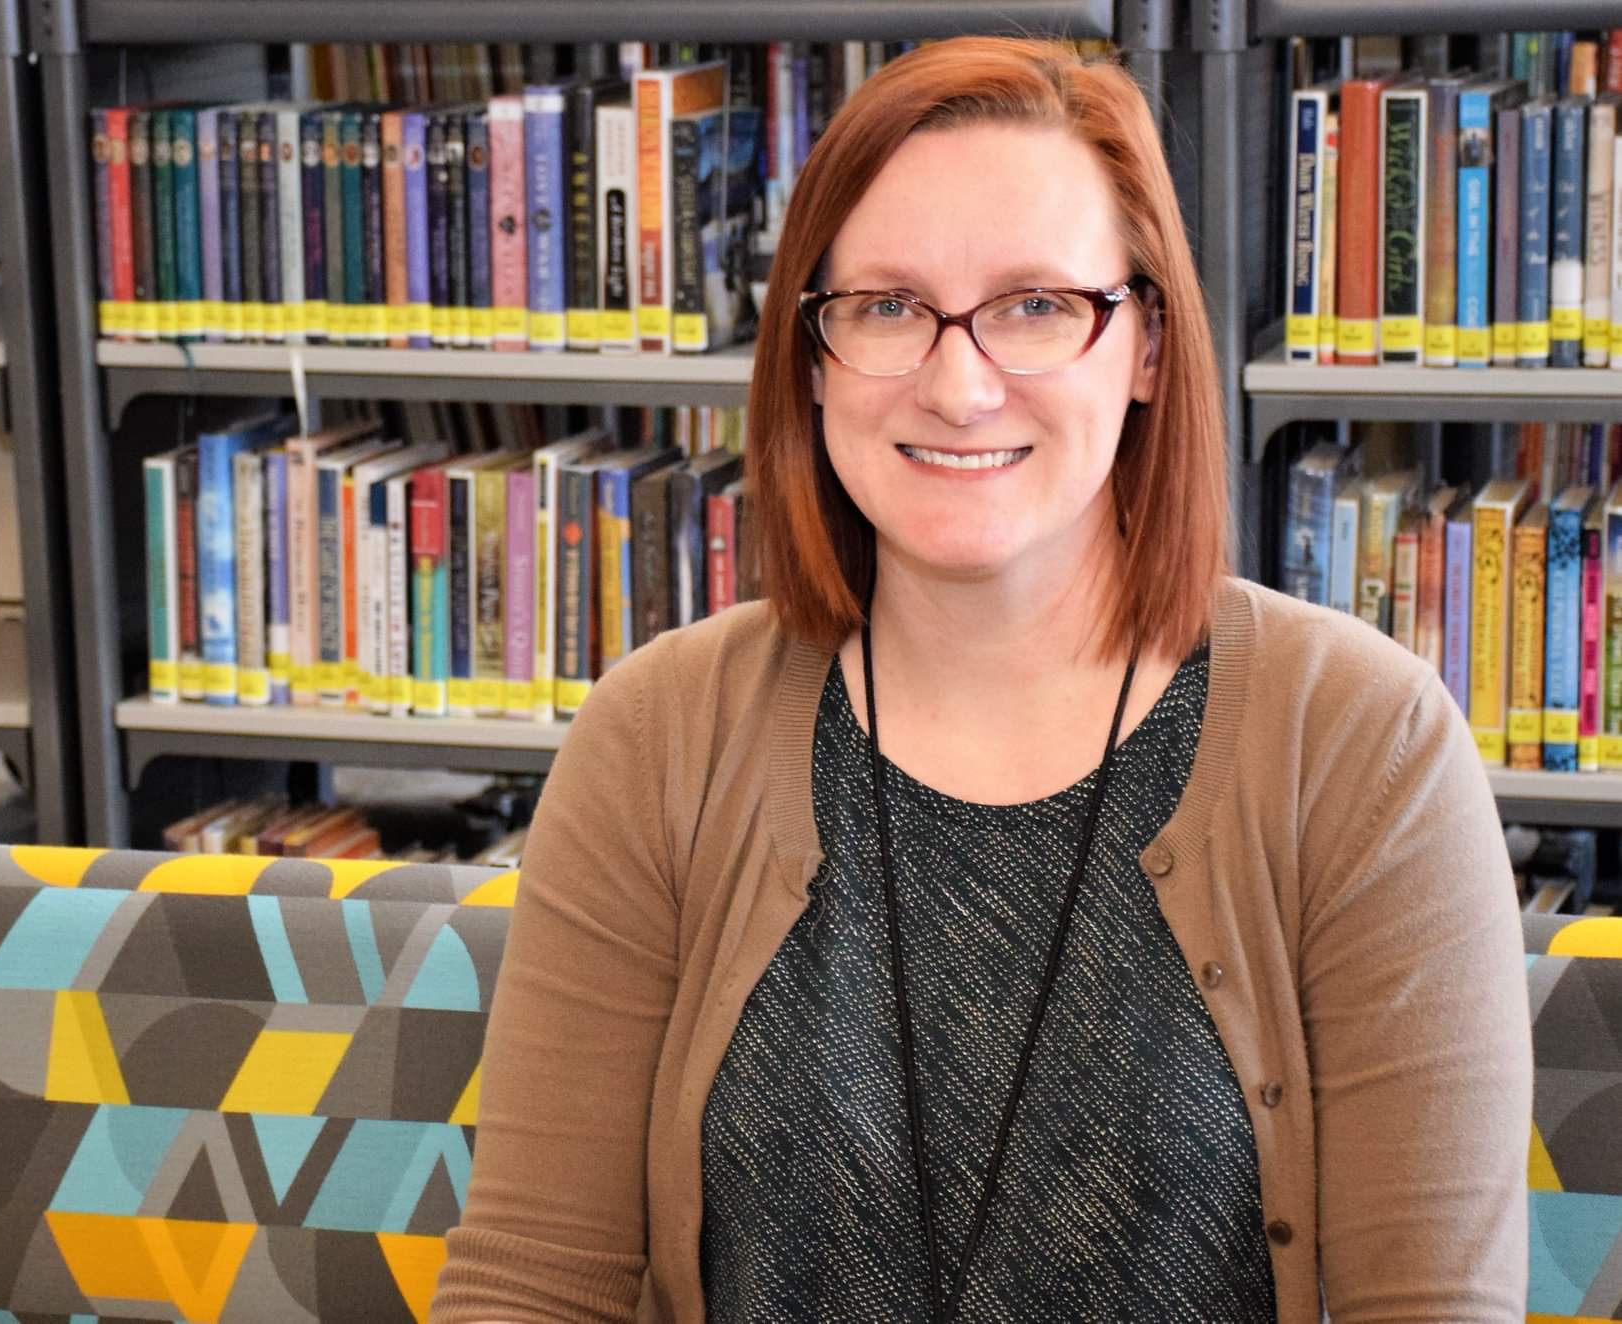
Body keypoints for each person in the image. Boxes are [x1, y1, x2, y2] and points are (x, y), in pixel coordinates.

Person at [432, 36, 1531, 1324]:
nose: (958, 385)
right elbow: (534, 1283)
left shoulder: (1362, 743)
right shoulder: (659, 735)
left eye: (1034, 305)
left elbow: (1431, 1306)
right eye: (888, 307)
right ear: (812, 354)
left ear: (1149, 350)